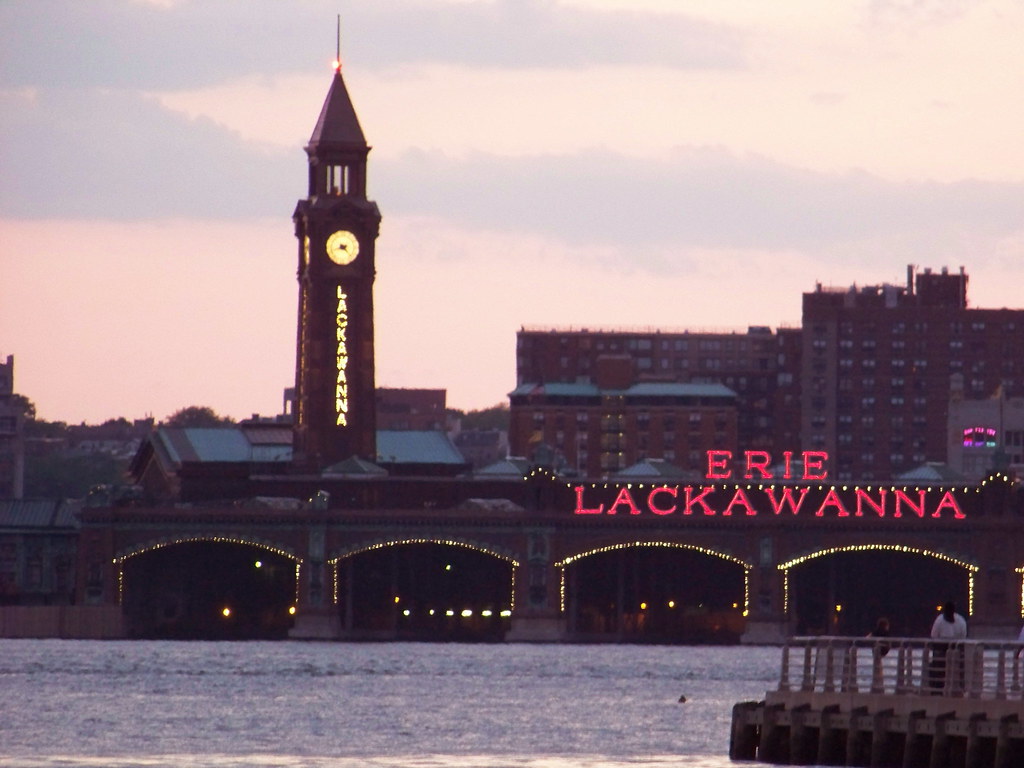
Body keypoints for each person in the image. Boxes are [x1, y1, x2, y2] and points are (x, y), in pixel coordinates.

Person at [928, 602, 967, 691]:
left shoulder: (960, 621)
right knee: (939, 669)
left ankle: (957, 686)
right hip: (941, 649)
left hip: (955, 649)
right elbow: (934, 636)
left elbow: (962, 638)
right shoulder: (939, 620)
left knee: (956, 669)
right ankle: (938, 687)